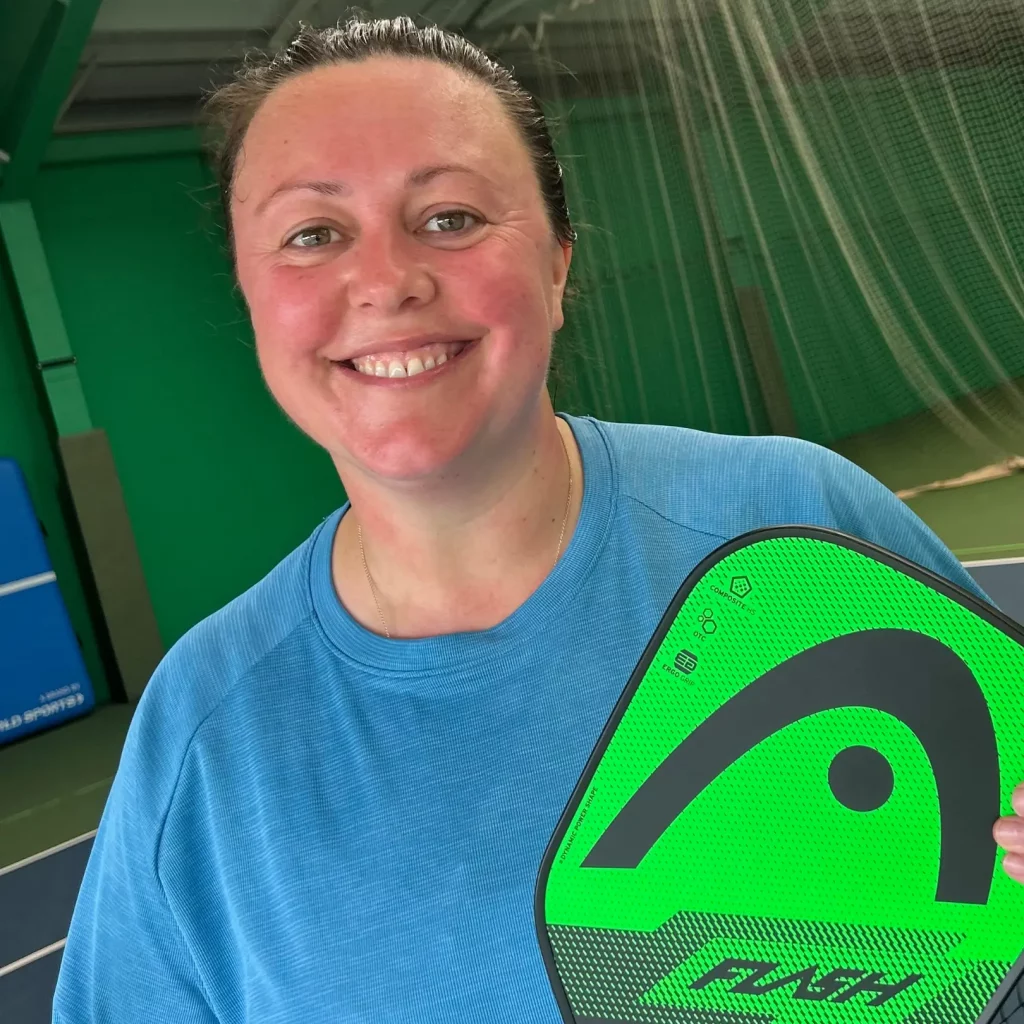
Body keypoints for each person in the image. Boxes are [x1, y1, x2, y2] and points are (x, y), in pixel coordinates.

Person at [52, 14, 1024, 1024]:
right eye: (312, 235)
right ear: (252, 296)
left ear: (558, 264)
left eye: (449, 217)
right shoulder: (206, 732)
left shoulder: (797, 527)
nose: (386, 279)